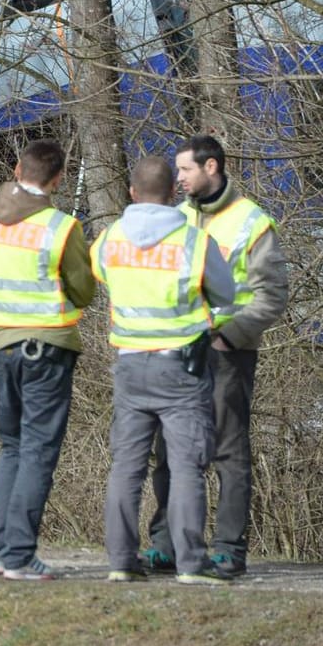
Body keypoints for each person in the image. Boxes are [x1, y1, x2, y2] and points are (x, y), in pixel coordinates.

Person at [144, 134, 288, 578]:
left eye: (185, 169)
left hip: (228, 353)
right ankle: (166, 545)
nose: (178, 178)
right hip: (178, 351)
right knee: (169, 451)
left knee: (228, 452)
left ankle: (228, 549)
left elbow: (272, 295)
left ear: (212, 167)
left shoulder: (251, 222)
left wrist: (231, 333)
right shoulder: (176, 219)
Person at [95, 155, 238, 586]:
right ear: (172, 193)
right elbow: (227, 294)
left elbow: (98, 276)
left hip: (130, 364)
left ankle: (121, 560)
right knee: (186, 468)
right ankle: (192, 563)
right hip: (181, 367)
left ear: (133, 194)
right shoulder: (193, 240)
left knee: (126, 467)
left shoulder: (109, 237)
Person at [0, 138, 95, 581]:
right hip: (46, 345)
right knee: (38, 449)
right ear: (58, 179)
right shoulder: (61, 227)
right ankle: (19, 553)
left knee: (15, 446)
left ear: (17, 168)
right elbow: (84, 290)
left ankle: (1, 549)